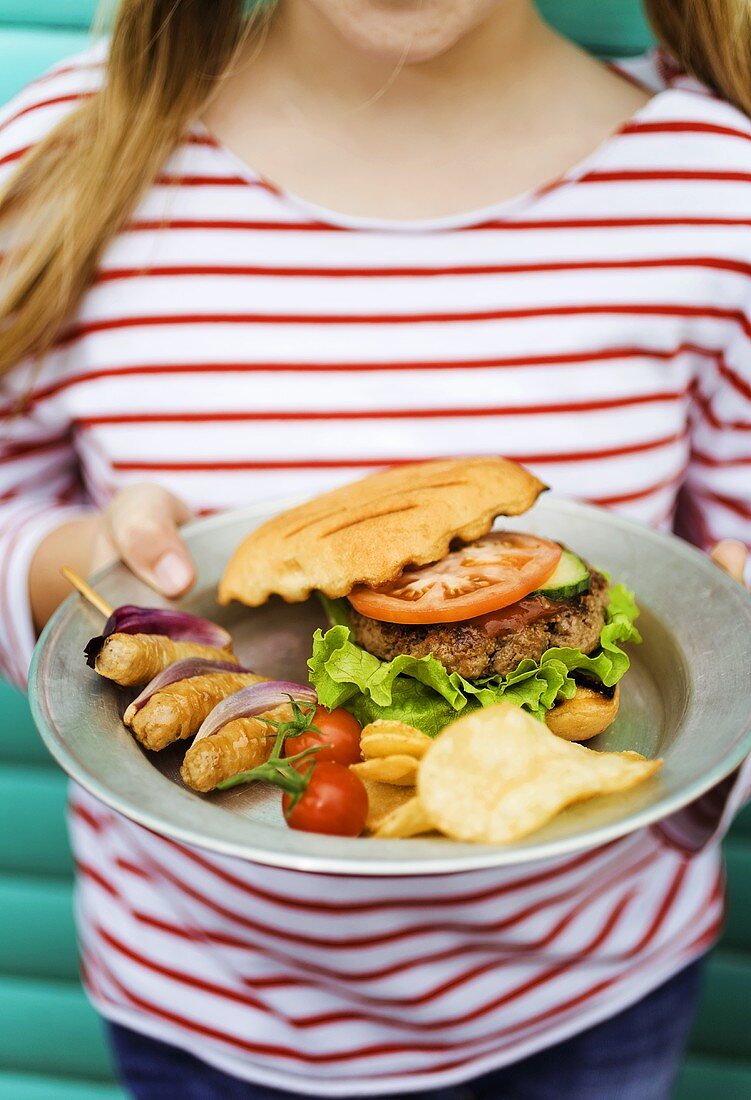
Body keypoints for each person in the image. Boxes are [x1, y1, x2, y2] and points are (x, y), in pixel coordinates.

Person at [1, 1, 750, 1097]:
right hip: (198, 996)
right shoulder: (69, 148)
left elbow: (723, 580)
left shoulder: (711, 188)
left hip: (590, 992)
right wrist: (95, 562)